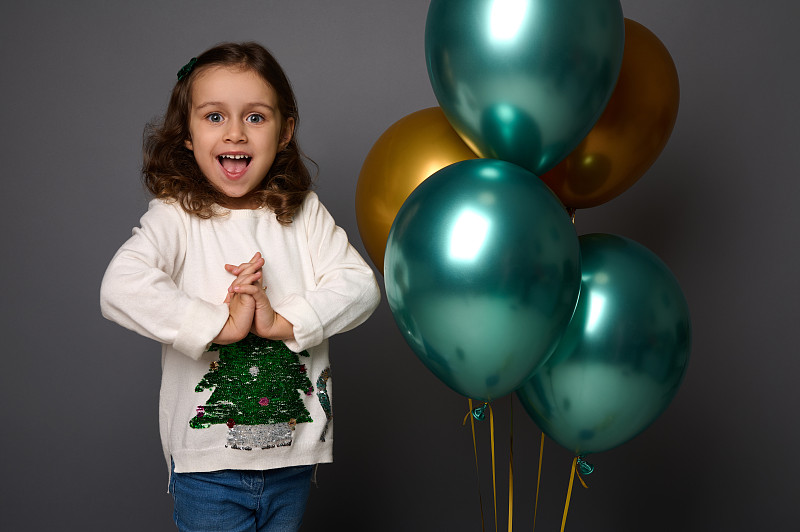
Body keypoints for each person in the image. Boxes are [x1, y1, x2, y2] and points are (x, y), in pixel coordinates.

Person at [100, 42, 380, 531]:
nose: (235, 132)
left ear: (285, 130)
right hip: (207, 465)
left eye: (255, 117)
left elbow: (360, 286)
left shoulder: (302, 213)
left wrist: (282, 321)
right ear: (187, 132)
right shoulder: (177, 216)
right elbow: (120, 286)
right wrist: (219, 326)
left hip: (293, 456)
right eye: (213, 117)